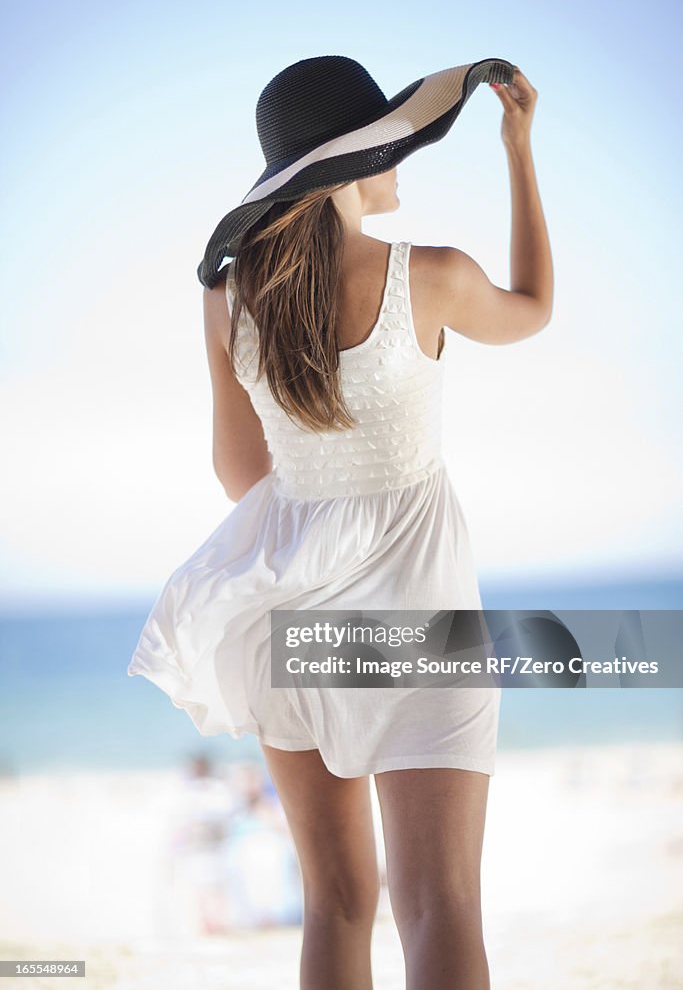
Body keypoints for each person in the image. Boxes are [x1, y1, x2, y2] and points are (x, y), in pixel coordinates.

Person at [128, 55, 552, 989]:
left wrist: (322, 483)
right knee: (439, 905)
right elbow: (534, 311)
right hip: (423, 613)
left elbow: (239, 471)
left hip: (293, 619)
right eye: (386, 144)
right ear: (347, 164)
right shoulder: (431, 276)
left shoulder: (230, 299)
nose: (398, 158)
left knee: (335, 903)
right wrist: (518, 149)